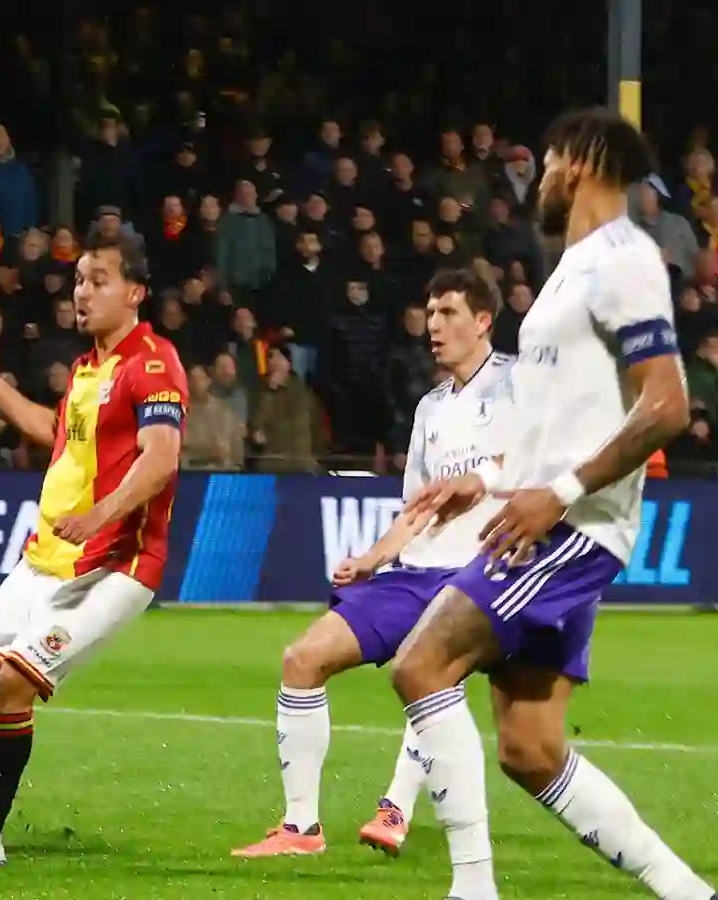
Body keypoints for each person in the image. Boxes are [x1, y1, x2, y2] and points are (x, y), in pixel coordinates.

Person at [398, 109, 718, 900]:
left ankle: (472, 890)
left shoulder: (624, 258)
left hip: (572, 530)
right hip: (543, 518)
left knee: (421, 663)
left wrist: (563, 494)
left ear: (578, 162)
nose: (538, 178)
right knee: (531, 748)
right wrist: (493, 483)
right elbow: (566, 420)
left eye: (545, 161)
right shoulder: (574, 268)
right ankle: (692, 895)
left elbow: (667, 402)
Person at [0, 233, 187, 870]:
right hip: (47, 558)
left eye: (98, 279)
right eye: (79, 280)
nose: (82, 292)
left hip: (115, 563)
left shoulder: (152, 363)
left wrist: (99, 514)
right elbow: (54, 432)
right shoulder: (88, 367)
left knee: (13, 682)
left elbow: (162, 459)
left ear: (136, 293)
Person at [232, 269, 514, 860]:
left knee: (429, 673)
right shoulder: (431, 408)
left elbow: (545, 459)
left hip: (485, 573)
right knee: (302, 659)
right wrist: (373, 558)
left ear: (483, 320)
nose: (433, 326)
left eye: (448, 313)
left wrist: (483, 478)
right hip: (416, 571)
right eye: (430, 313)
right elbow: (417, 507)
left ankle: (396, 805)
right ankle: (300, 829)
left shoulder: (522, 385)